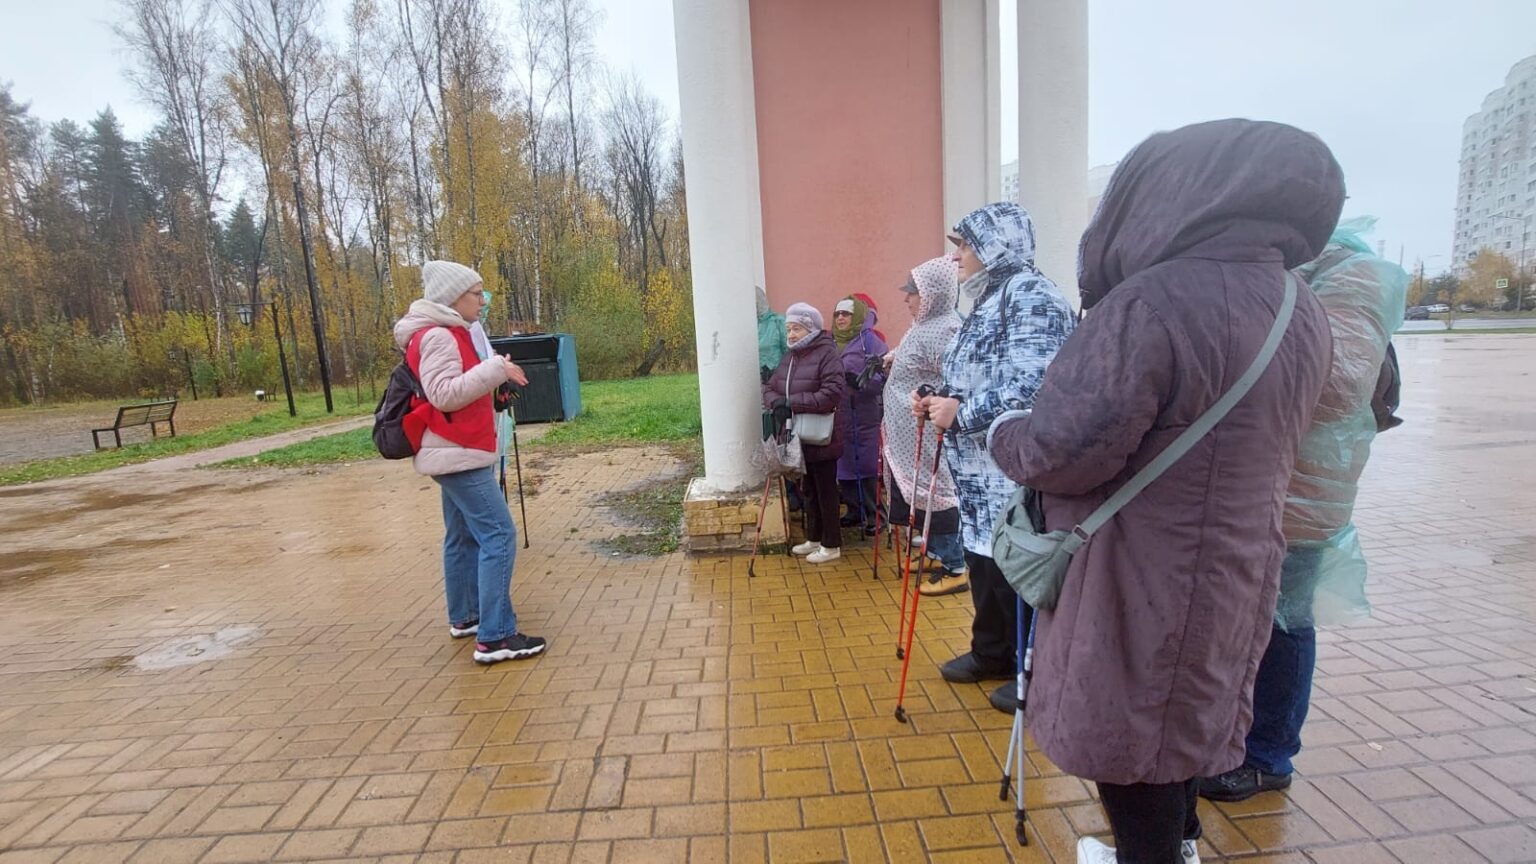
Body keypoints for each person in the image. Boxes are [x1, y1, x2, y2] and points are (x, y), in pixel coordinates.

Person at [988, 119, 1343, 864]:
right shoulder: (1297, 304)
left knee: (1133, 736)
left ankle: (1153, 854)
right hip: (1239, 560)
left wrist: (1003, 432)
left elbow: (1063, 449)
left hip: (1140, 569)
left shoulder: (1151, 301)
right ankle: (1179, 843)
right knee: (1182, 719)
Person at [1199, 218, 1408, 803]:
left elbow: (1336, 387)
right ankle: (1237, 739)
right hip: (1264, 486)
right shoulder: (1297, 274)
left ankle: (1269, 756)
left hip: (1303, 497)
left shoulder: (1349, 277)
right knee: (1248, 624)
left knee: (1285, 625)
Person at [912, 201, 1075, 714]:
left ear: (996, 245)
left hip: (1012, 466)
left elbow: (1037, 383)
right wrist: (936, 397)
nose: (955, 255)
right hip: (977, 472)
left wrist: (960, 413)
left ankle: (1032, 670)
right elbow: (973, 374)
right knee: (984, 560)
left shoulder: (1032, 296)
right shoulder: (988, 299)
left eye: (964, 244)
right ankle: (992, 652)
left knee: (1017, 564)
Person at [392, 260, 547, 665]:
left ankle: (467, 616)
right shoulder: (439, 336)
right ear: (453, 297)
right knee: (499, 534)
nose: (483, 301)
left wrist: (493, 376)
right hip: (457, 452)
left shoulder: (444, 332)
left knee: (461, 534)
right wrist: (495, 369)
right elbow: (443, 394)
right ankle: (496, 636)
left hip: (454, 450)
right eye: (477, 294)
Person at [882, 260, 968, 593]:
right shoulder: (923, 324)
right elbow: (916, 354)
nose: (907, 299)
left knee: (937, 494)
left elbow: (955, 378)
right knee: (919, 493)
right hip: (908, 433)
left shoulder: (946, 328)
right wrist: (894, 357)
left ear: (933, 294)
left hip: (928, 433)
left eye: (913, 293)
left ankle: (955, 566)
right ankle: (934, 552)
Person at [764, 302, 847, 564]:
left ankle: (831, 544)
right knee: (808, 489)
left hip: (822, 435)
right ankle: (814, 537)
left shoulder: (826, 353)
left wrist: (792, 403)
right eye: (788, 329)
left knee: (825, 491)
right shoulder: (790, 357)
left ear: (810, 328)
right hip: (797, 435)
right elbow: (770, 387)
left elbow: (832, 392)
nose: (791, 334)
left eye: (797, 328)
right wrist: (776, 402)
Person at [833, 294, 888, 532]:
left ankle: (877, 516)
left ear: (857, 316)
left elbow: (884, 375)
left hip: (863, 414)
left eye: (846, 314)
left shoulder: (872, 342)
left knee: (866, 466)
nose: (841, 318)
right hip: (839, 414)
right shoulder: (831, 342)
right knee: (843, 465)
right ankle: (854, 511)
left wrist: (861, 383)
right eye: (837, 314)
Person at [756, 286, 787, 383]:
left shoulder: (778, 321)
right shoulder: (744, 326)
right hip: (752, 379)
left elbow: (789, 351)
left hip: (776, 377)